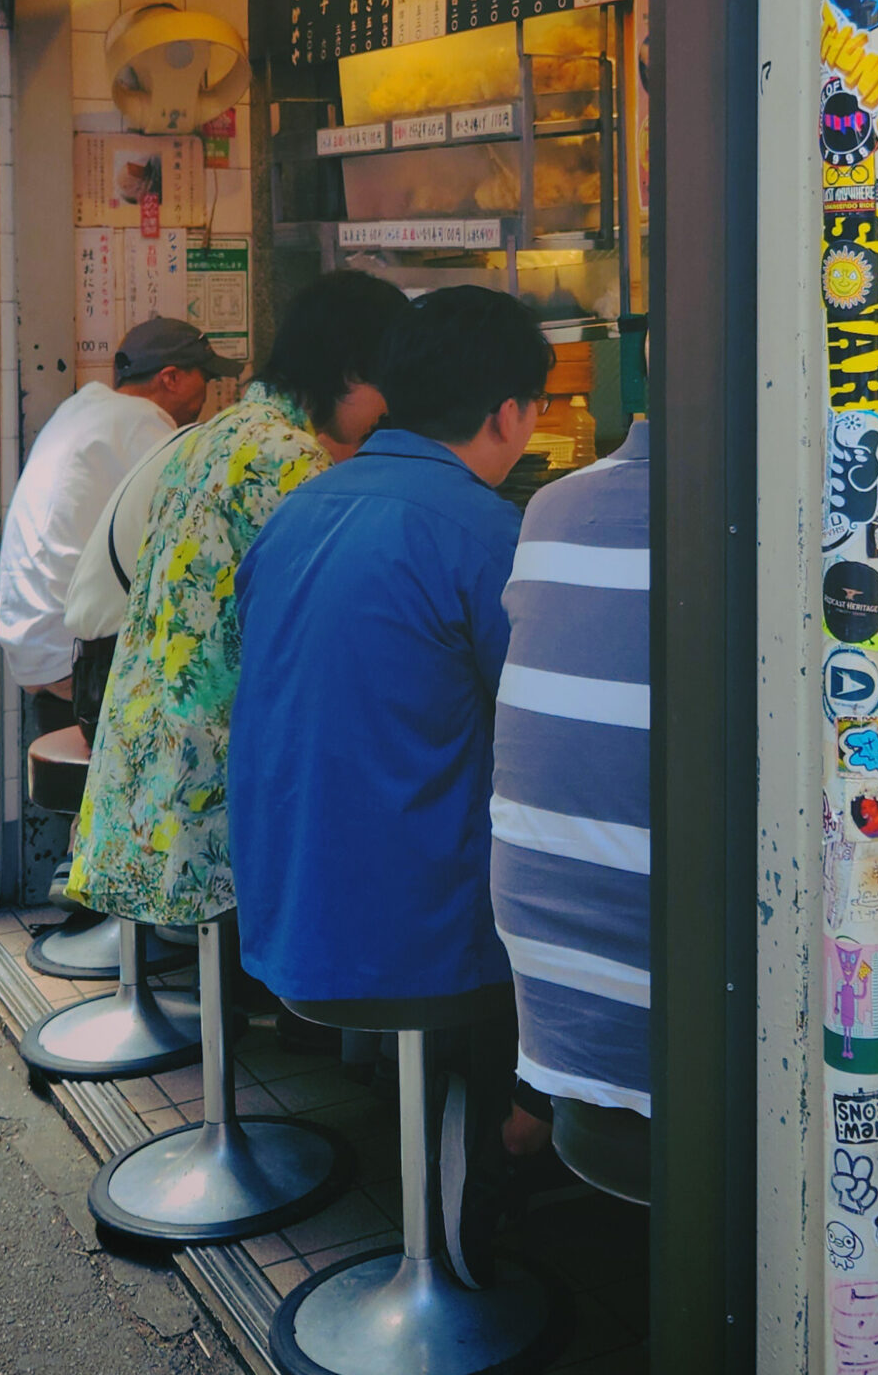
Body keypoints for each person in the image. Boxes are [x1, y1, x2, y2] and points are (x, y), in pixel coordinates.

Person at [228, 283, 554, 1285]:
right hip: (409, 937)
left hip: (281, 904)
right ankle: (502, 1147)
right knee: (558, 890)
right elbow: (540, 721)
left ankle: (446, 1132)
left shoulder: (298, 508)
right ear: (507, 414)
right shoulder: (486, 531)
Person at [69, 269, 409, 930]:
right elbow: (321, 638)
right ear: (351, 372)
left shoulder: (227, 430)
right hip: (211, 778)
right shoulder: (288, 458)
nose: (388, 407)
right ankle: (319, 1015)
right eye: (386, 384)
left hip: (148, 753)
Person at [490, 410, 651, 1186]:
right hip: (676, 1018)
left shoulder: (550, 507)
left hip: (545, 968)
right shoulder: (778, 509)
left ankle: (520, 1118)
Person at [0, 318, 237, 732]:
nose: (212, 395)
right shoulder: (145, 425)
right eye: (208, 379)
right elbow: (192, 537)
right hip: (73, 657)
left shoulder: (81, 408)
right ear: (172, 378)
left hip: (30, 646)